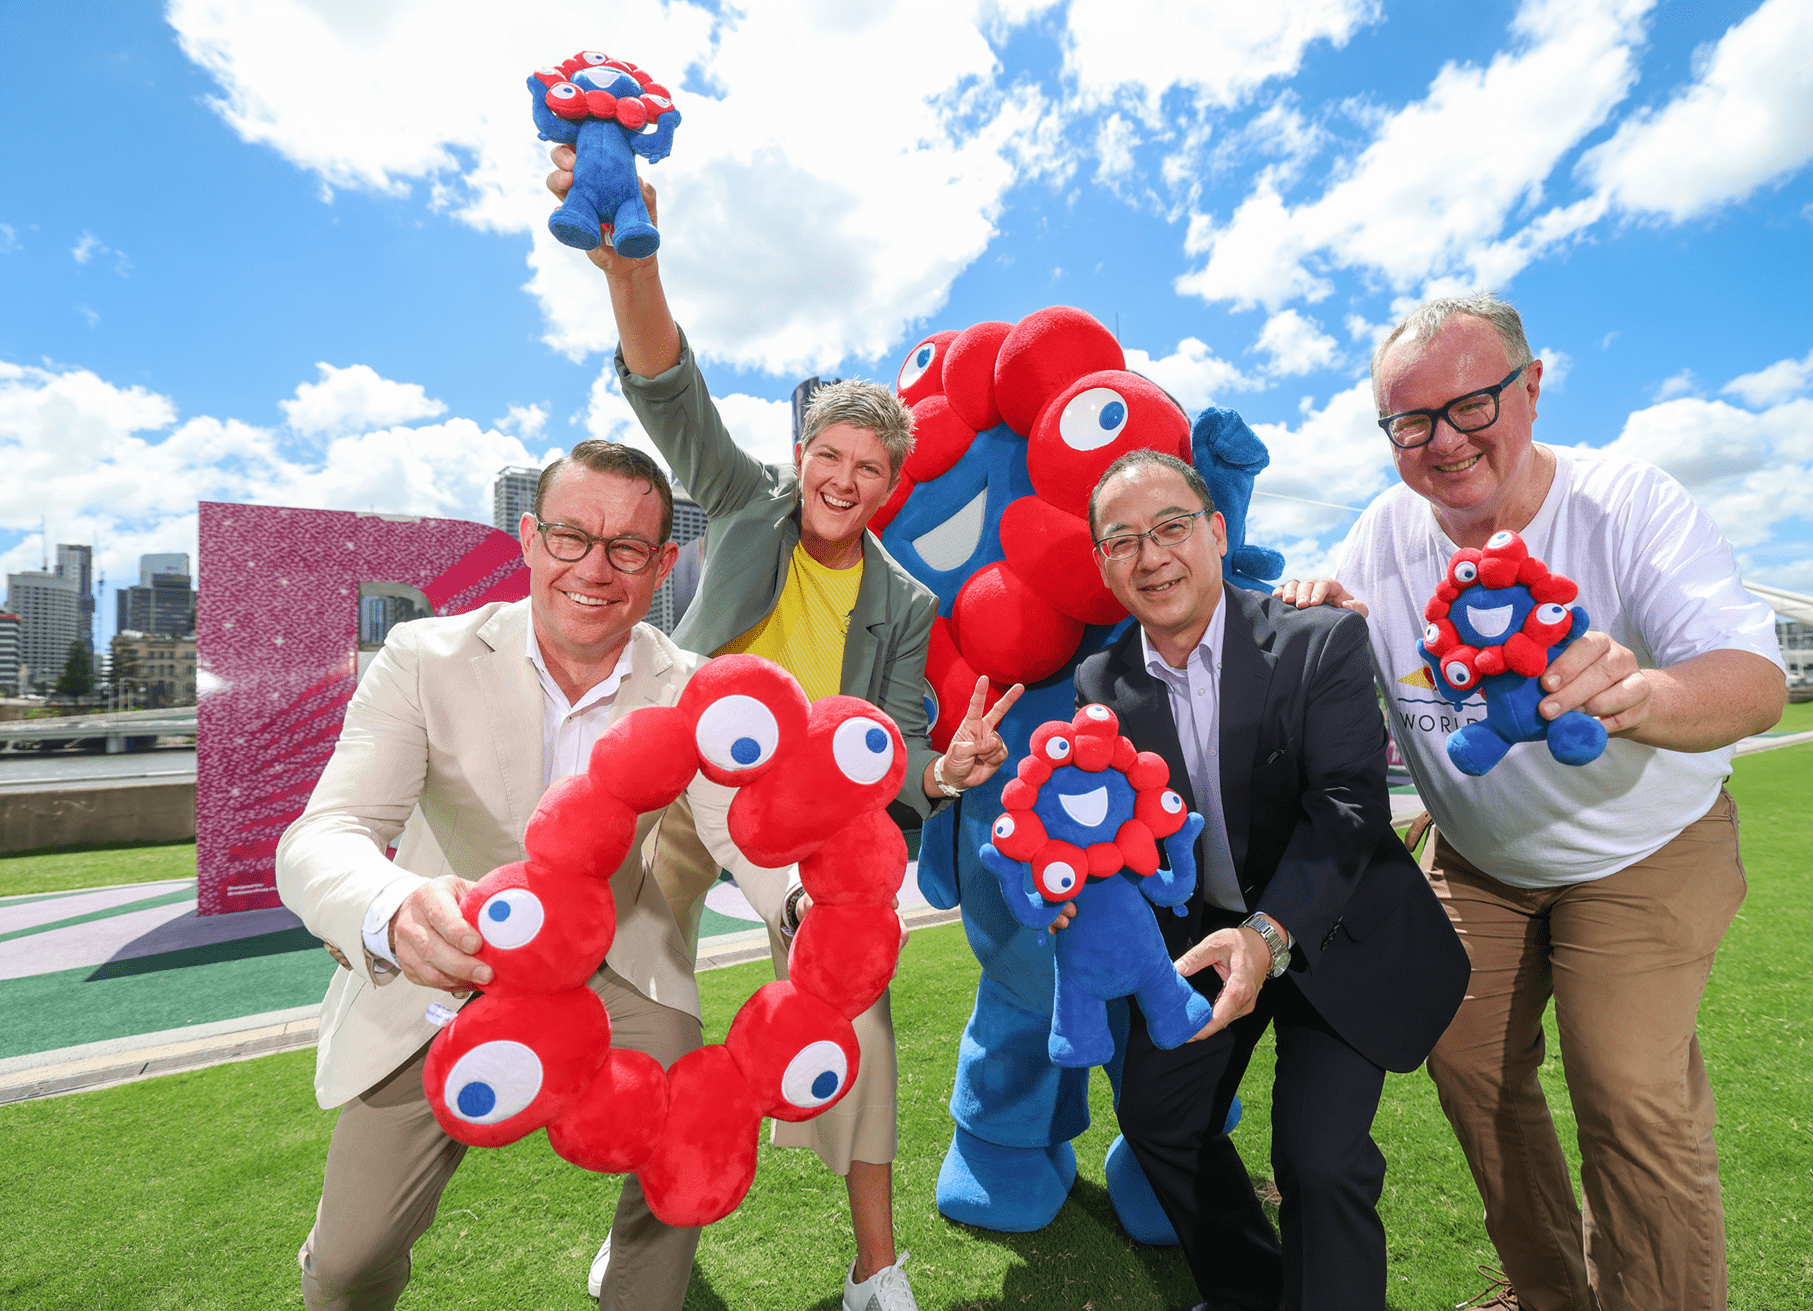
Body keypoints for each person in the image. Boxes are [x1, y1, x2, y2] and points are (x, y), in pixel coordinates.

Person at [551, 148, 1019, 1311]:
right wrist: (627, 272)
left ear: (890, 483)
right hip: (675, 780)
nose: (843, 479)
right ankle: (644, 1240)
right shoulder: (752, 499)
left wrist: (943, 770)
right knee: (649, 1010)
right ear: (801, 456)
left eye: (869, 466)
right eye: (828, 456)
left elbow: (901, 742)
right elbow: (671, 391)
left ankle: (876, 1268)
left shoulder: (905, 604)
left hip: (789, 820)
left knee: (856, 1000)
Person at [1286, 293, 1788, 1311]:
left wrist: (1640, 693)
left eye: (1471, 405)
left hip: (1646, 845)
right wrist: (1310, 608)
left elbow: (1755, 680)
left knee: (1627, 1094)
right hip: (1484, 865)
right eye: (1410, 421)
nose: (1444, 441)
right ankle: (1554, 1292)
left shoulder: (1626, 502)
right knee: (1467, 1070)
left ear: (1531, 388)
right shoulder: (1383, 533)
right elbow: (1331, 644)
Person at [277, 440, 793, 1311]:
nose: (595, 569)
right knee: (348, 1260)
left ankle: (637, 1291)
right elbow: (326, 831)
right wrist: (395, 907)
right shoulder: (420, 657)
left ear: (663, 563)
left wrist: (805, 901)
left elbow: (748, 831)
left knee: (682, 1146)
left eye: (628, 547)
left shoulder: (691, 689)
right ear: (527, 538)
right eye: (569, 537)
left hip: (617, 964)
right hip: (450, 956)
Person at [1069, 448, 1469, 1311]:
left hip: (1333, 934)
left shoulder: (1319, 638)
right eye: (1122, 540)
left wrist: (1268, 932)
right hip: (1206, 940)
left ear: (1216, 531)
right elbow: (1115, 832)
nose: (1150, 555)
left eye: (1171, 526)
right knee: (1156, 1116)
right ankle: (1250, 1289)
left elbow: (1349, 807)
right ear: (1102, 563)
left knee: (1319, 1162)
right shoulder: (1100, 682)